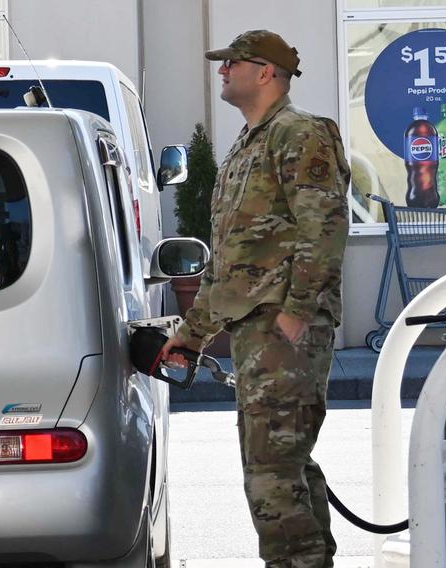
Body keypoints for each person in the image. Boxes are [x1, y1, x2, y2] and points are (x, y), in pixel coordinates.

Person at [161, 29, 350, 568]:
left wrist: (297, 311)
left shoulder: (301, 133)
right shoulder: (247, 146)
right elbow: (231, 263)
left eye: (233, 63)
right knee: (281, 463)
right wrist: (191, 336)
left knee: (271, 468)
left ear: (266, 72)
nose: (222, 71)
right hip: (257, 330)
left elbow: (325, 229)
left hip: (284, 329)